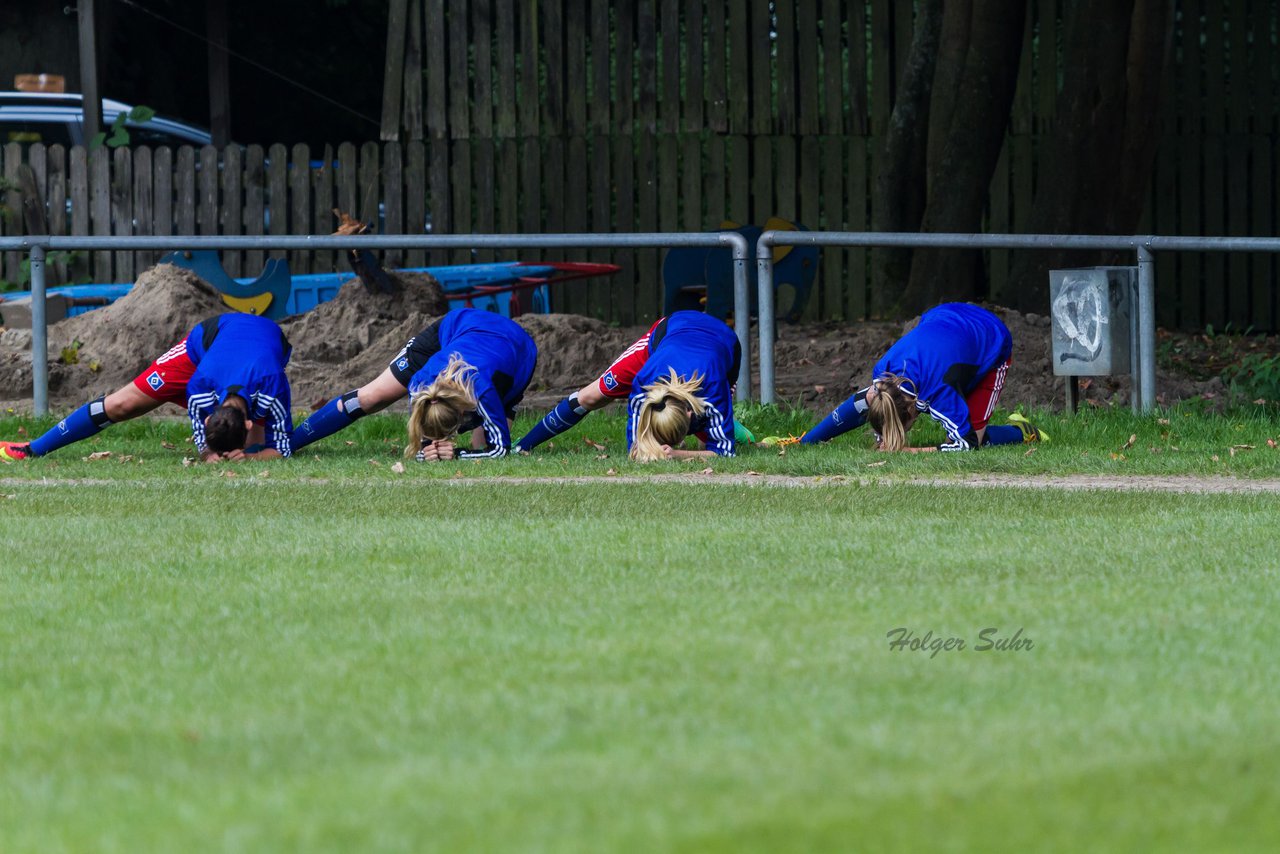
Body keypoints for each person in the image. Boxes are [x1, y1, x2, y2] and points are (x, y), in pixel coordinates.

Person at [0, 312, 294, 463]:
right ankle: (33, 449)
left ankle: (246, 446)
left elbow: (280, 449)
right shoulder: (200, 385)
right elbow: (204, 437)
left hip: (263, 347)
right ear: (206, 417)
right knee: (122, 404)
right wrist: (206, 453)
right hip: (203, 346)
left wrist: (251, 456)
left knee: (260, 439)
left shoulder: (272, 384)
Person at [292, 307, 537, 461]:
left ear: (463, 411)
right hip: (457, 328)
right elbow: (422, 436)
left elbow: (499, 450)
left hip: (518, 350)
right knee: (371, 397)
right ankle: (286, 445)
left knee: (480, 446)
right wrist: (425, 450)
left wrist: (459, 454)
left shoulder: (484, 389)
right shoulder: (421, 383)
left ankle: (479, 427)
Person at [799, 302, 1048, 452]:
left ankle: (1024, 429)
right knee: (874, 396)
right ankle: (805, 442)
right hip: (944, 320)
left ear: (912, 412)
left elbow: (966, 445)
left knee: (976, 440)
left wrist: (910, 451)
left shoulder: (937, 393)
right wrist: (806, 442)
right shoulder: (882, 374)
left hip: (990, 337)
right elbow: (863, 401)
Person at [515, 310, 739, 461]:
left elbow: (726, 454)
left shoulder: (714, 389)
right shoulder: (644, 384)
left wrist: (675, 453)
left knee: (714, 429)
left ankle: (717, 430)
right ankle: (521, 446)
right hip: (669, 333)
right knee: (591, 396)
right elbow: (635, 451)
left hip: (723, 341)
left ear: (690, 414)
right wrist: (646, 449)